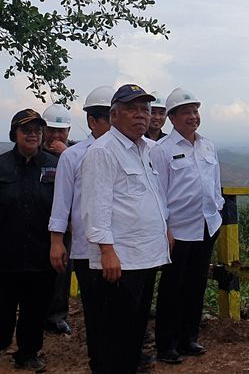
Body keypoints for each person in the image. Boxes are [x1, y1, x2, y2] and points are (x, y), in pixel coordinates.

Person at [80, 84, 171, 374]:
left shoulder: (144, 150)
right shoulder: (103, 151)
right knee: (114, 336)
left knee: (134, 332)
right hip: (120, 260)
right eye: (132, 109)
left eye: (144, 109)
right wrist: (106, 250)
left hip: (145, 256)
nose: (141, 115)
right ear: (114, 115)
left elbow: (151, 197)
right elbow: (96, 205)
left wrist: (164, 230)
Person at [152, 88, 224, 364]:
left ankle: (188, 337)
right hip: (178, 230)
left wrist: (217, 209)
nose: (193, 117)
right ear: (172, 118)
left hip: (207, 225)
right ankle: (166, 344)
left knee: (196, 284)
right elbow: (158, 193)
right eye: (186, 112)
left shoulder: (208, 145)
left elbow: (214, 181)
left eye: (195, 111)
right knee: (173, 287)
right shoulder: (162, 151)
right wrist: (165, 228)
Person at [48, 85, 114, 373]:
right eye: (110, 117)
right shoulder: (73, 156)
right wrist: (57, 242)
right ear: (92, 121)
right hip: (88, 248)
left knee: (125, 308)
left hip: (125, 246)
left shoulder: (135, 151)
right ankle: (100, 361)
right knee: (97, 310)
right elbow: (62, 204)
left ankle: (129, 355)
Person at [0, 109, 58, 371]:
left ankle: (28, 352)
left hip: (41, 252)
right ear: (15, 134)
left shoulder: (55, 165)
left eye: (38, 130)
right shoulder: (1, 165)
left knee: (35, 309)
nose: (33, 134)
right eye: (27, 130)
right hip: (5, 254)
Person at [41, 103, 74, 335]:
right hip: (35, 221)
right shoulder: (33, 152)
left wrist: (66, 155)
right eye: (50, 129)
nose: (54, 135)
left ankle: (56, 316)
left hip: (66, 225)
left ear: (68, 132)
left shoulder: (76, 154)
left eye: (60, 130)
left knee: (61, 271)